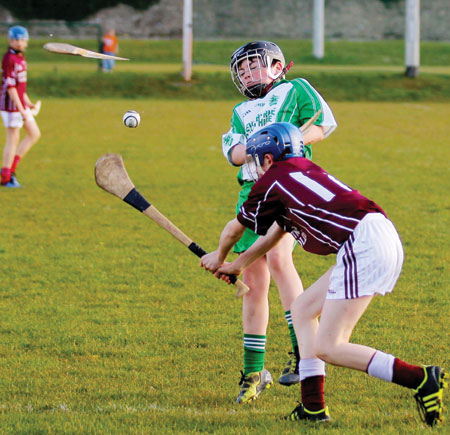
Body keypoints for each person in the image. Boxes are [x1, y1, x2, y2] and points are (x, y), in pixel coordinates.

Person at [201, 122, 447, 426]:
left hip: (363, 244)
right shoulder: (302, 170)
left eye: (256, 160)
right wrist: (238, 265)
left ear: (268, 158)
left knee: (329, 346)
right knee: (303, 309)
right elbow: (277, 232)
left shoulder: (272, 181)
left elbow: (235, 228)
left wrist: (219, 256)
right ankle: (312, 407)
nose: (255, 168)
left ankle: (421, 378)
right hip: (375, 234)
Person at [221, 40, 337, 404]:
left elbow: (322, 124)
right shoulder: (241, 110)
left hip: (289, 184)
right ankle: (254, 372)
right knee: (254, 283)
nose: (245, 73)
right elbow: (234, 152)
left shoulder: (295, 88)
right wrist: (254, 150)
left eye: (251, 65)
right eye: (240, 70)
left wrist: (287, 143)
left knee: (278, 258)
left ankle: (303, 353)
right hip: (251, 192)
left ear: (275, 65)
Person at [1, 25, 41, 188]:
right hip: (10, 106)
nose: (19, 42)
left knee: (34, 134)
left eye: (22, 39)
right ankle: (6, 176)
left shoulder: (20, 57)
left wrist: (27, 102)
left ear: (26, 42)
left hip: (19, 104)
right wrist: (21, 109)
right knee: (13, 138)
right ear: (10, 40)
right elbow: (10, 88)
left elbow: (20, 86)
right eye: (16, 39)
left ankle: (10, 170)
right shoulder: (9, 59)